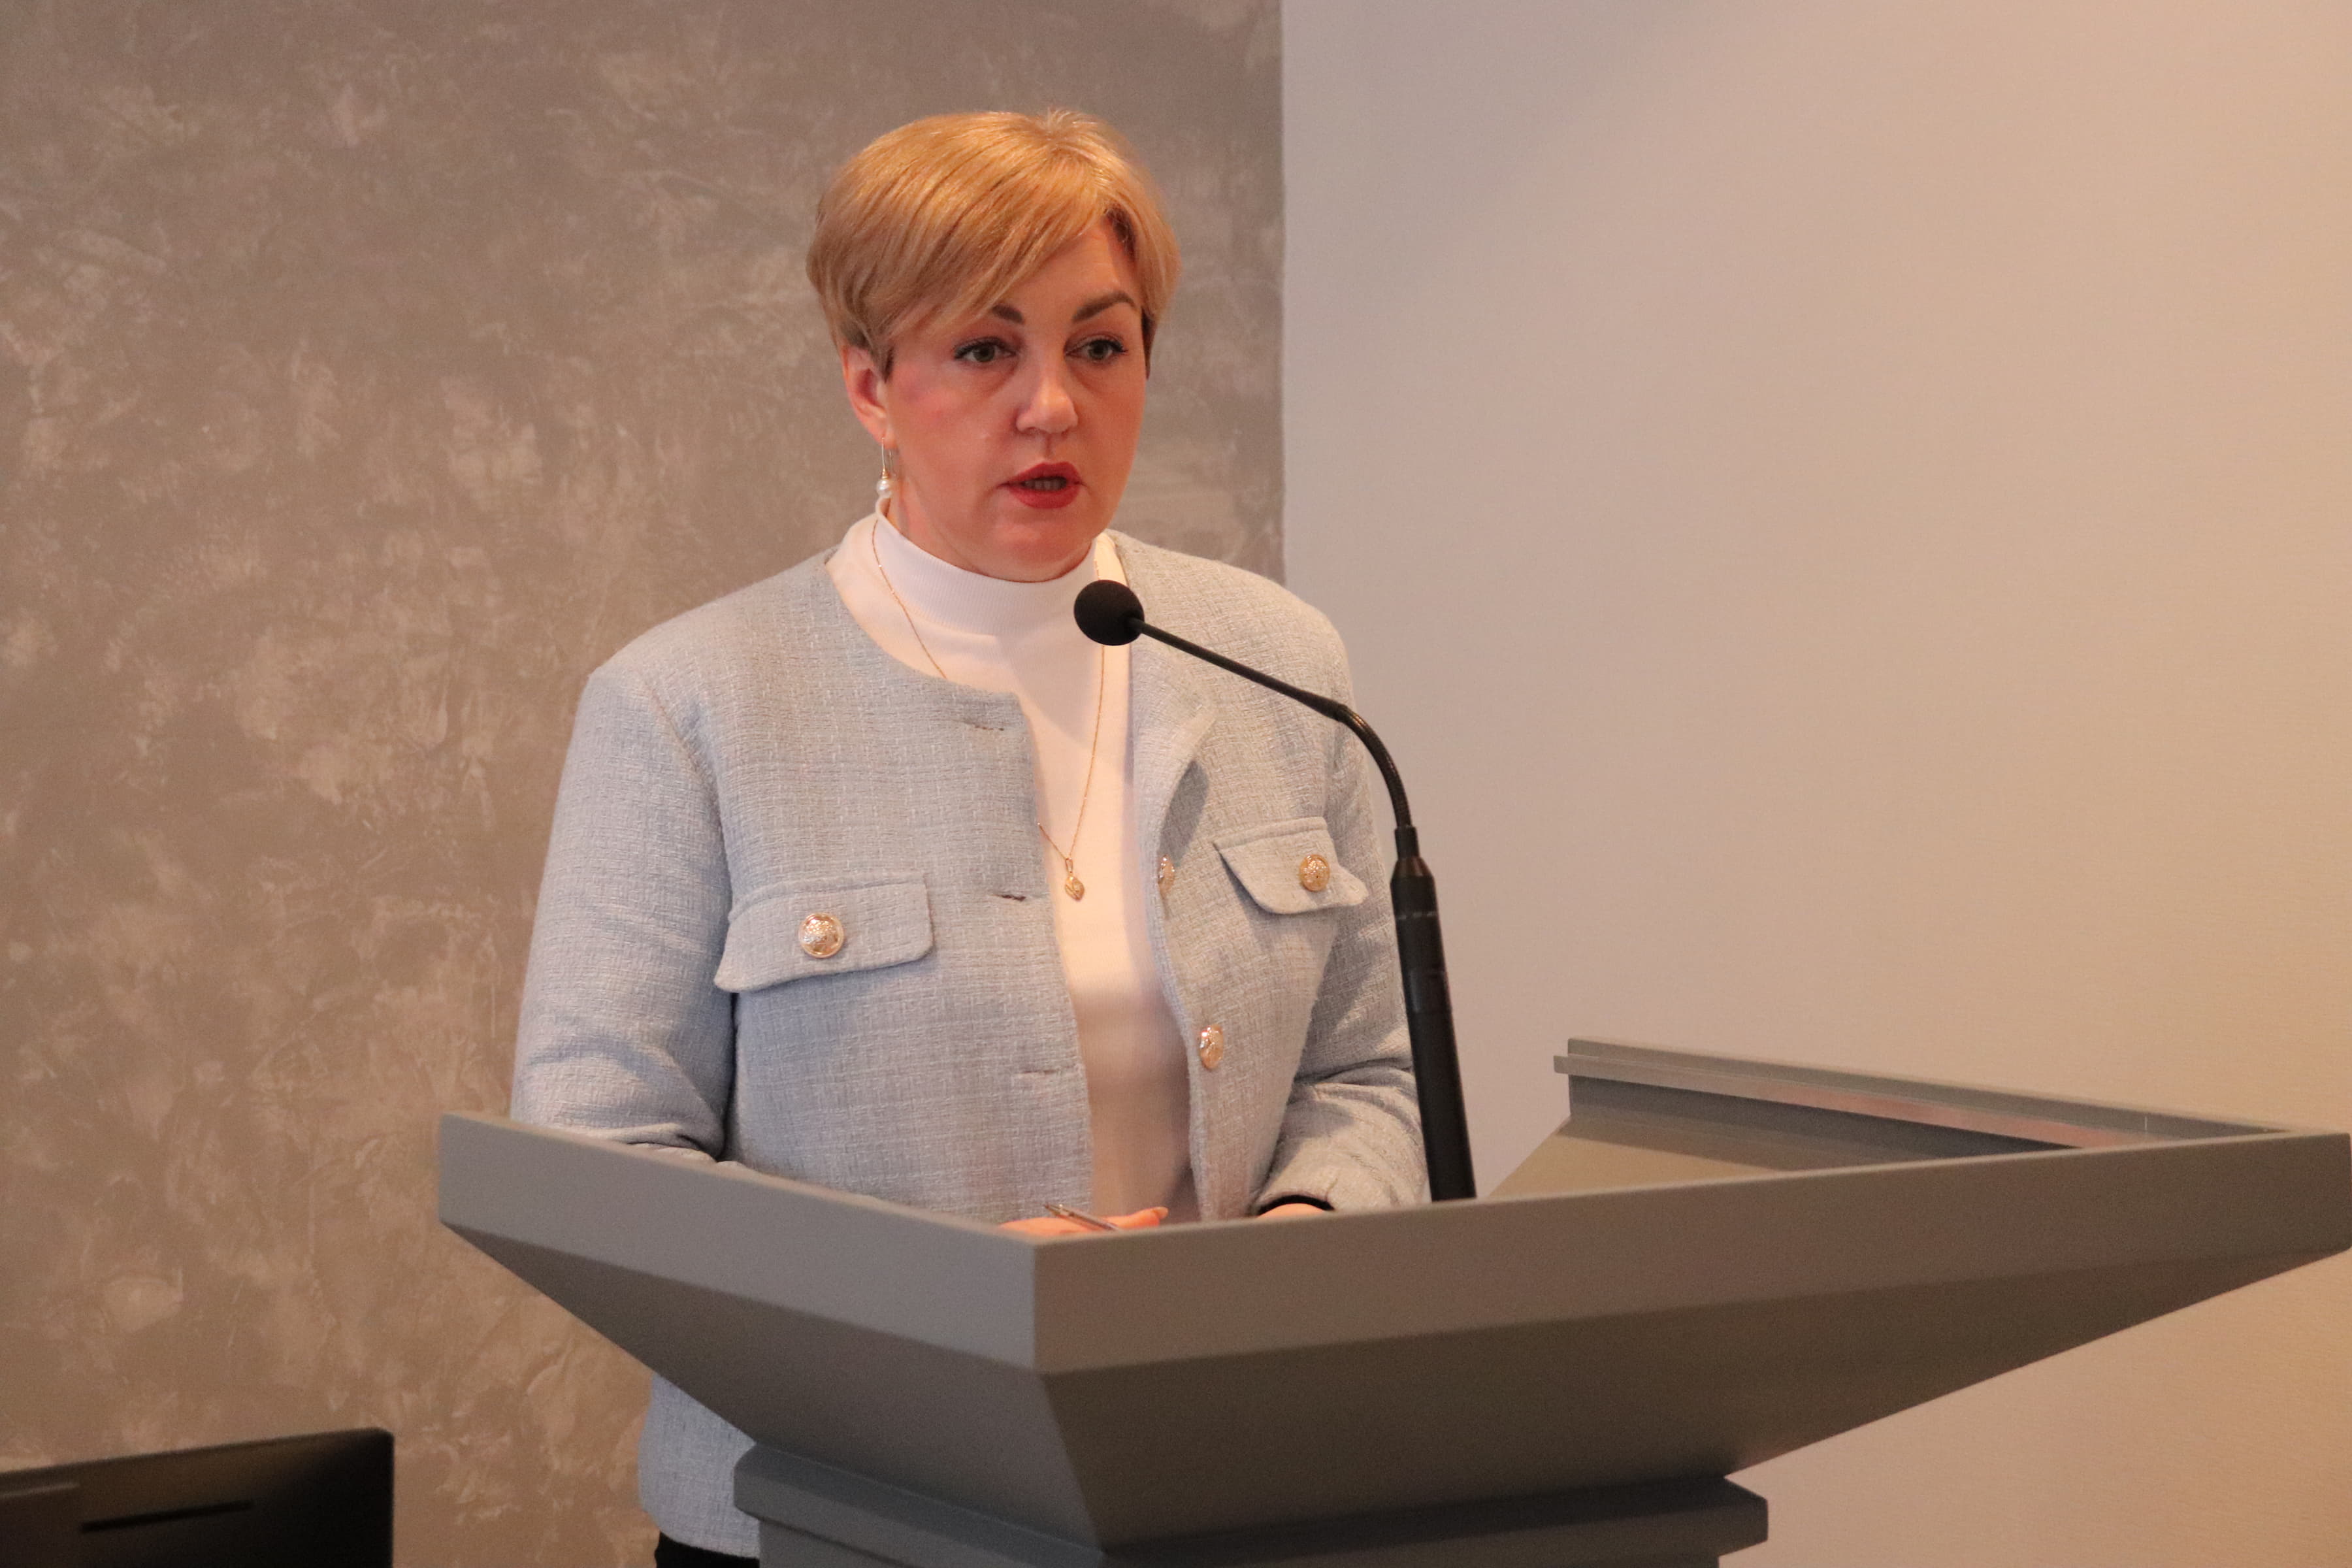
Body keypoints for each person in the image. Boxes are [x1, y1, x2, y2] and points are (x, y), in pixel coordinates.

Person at [510, 109, 1424, 1567]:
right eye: (987, 349)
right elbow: (597, 1164)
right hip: (822, 1514)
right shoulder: (688, 704)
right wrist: (945, 1300)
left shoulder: (1278, 660)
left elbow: (1370, 1070)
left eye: (1100, 345)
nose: (1052, 404)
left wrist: (1297, 1245)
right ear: (871, 385)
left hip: (1223, 1486)